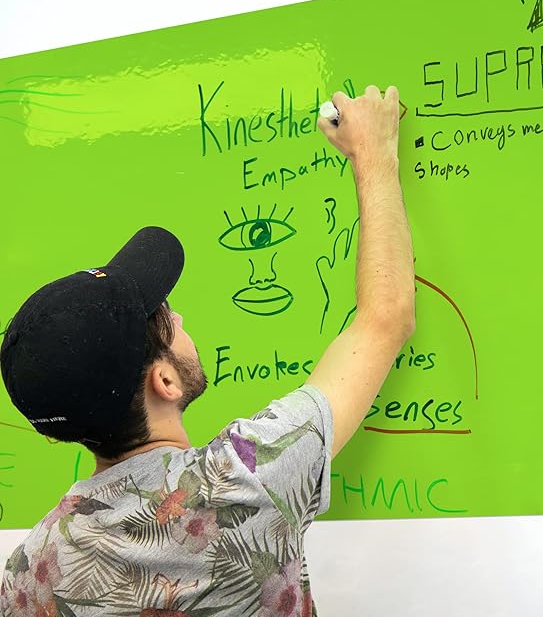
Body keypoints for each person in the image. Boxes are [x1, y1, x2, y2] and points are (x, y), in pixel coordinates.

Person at [0, 85, 415, 616]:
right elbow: (385, 320)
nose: (179, 318)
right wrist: (374, 154)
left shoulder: (28, 571)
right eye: (165, 319)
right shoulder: (240, 481)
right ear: (165, 381)